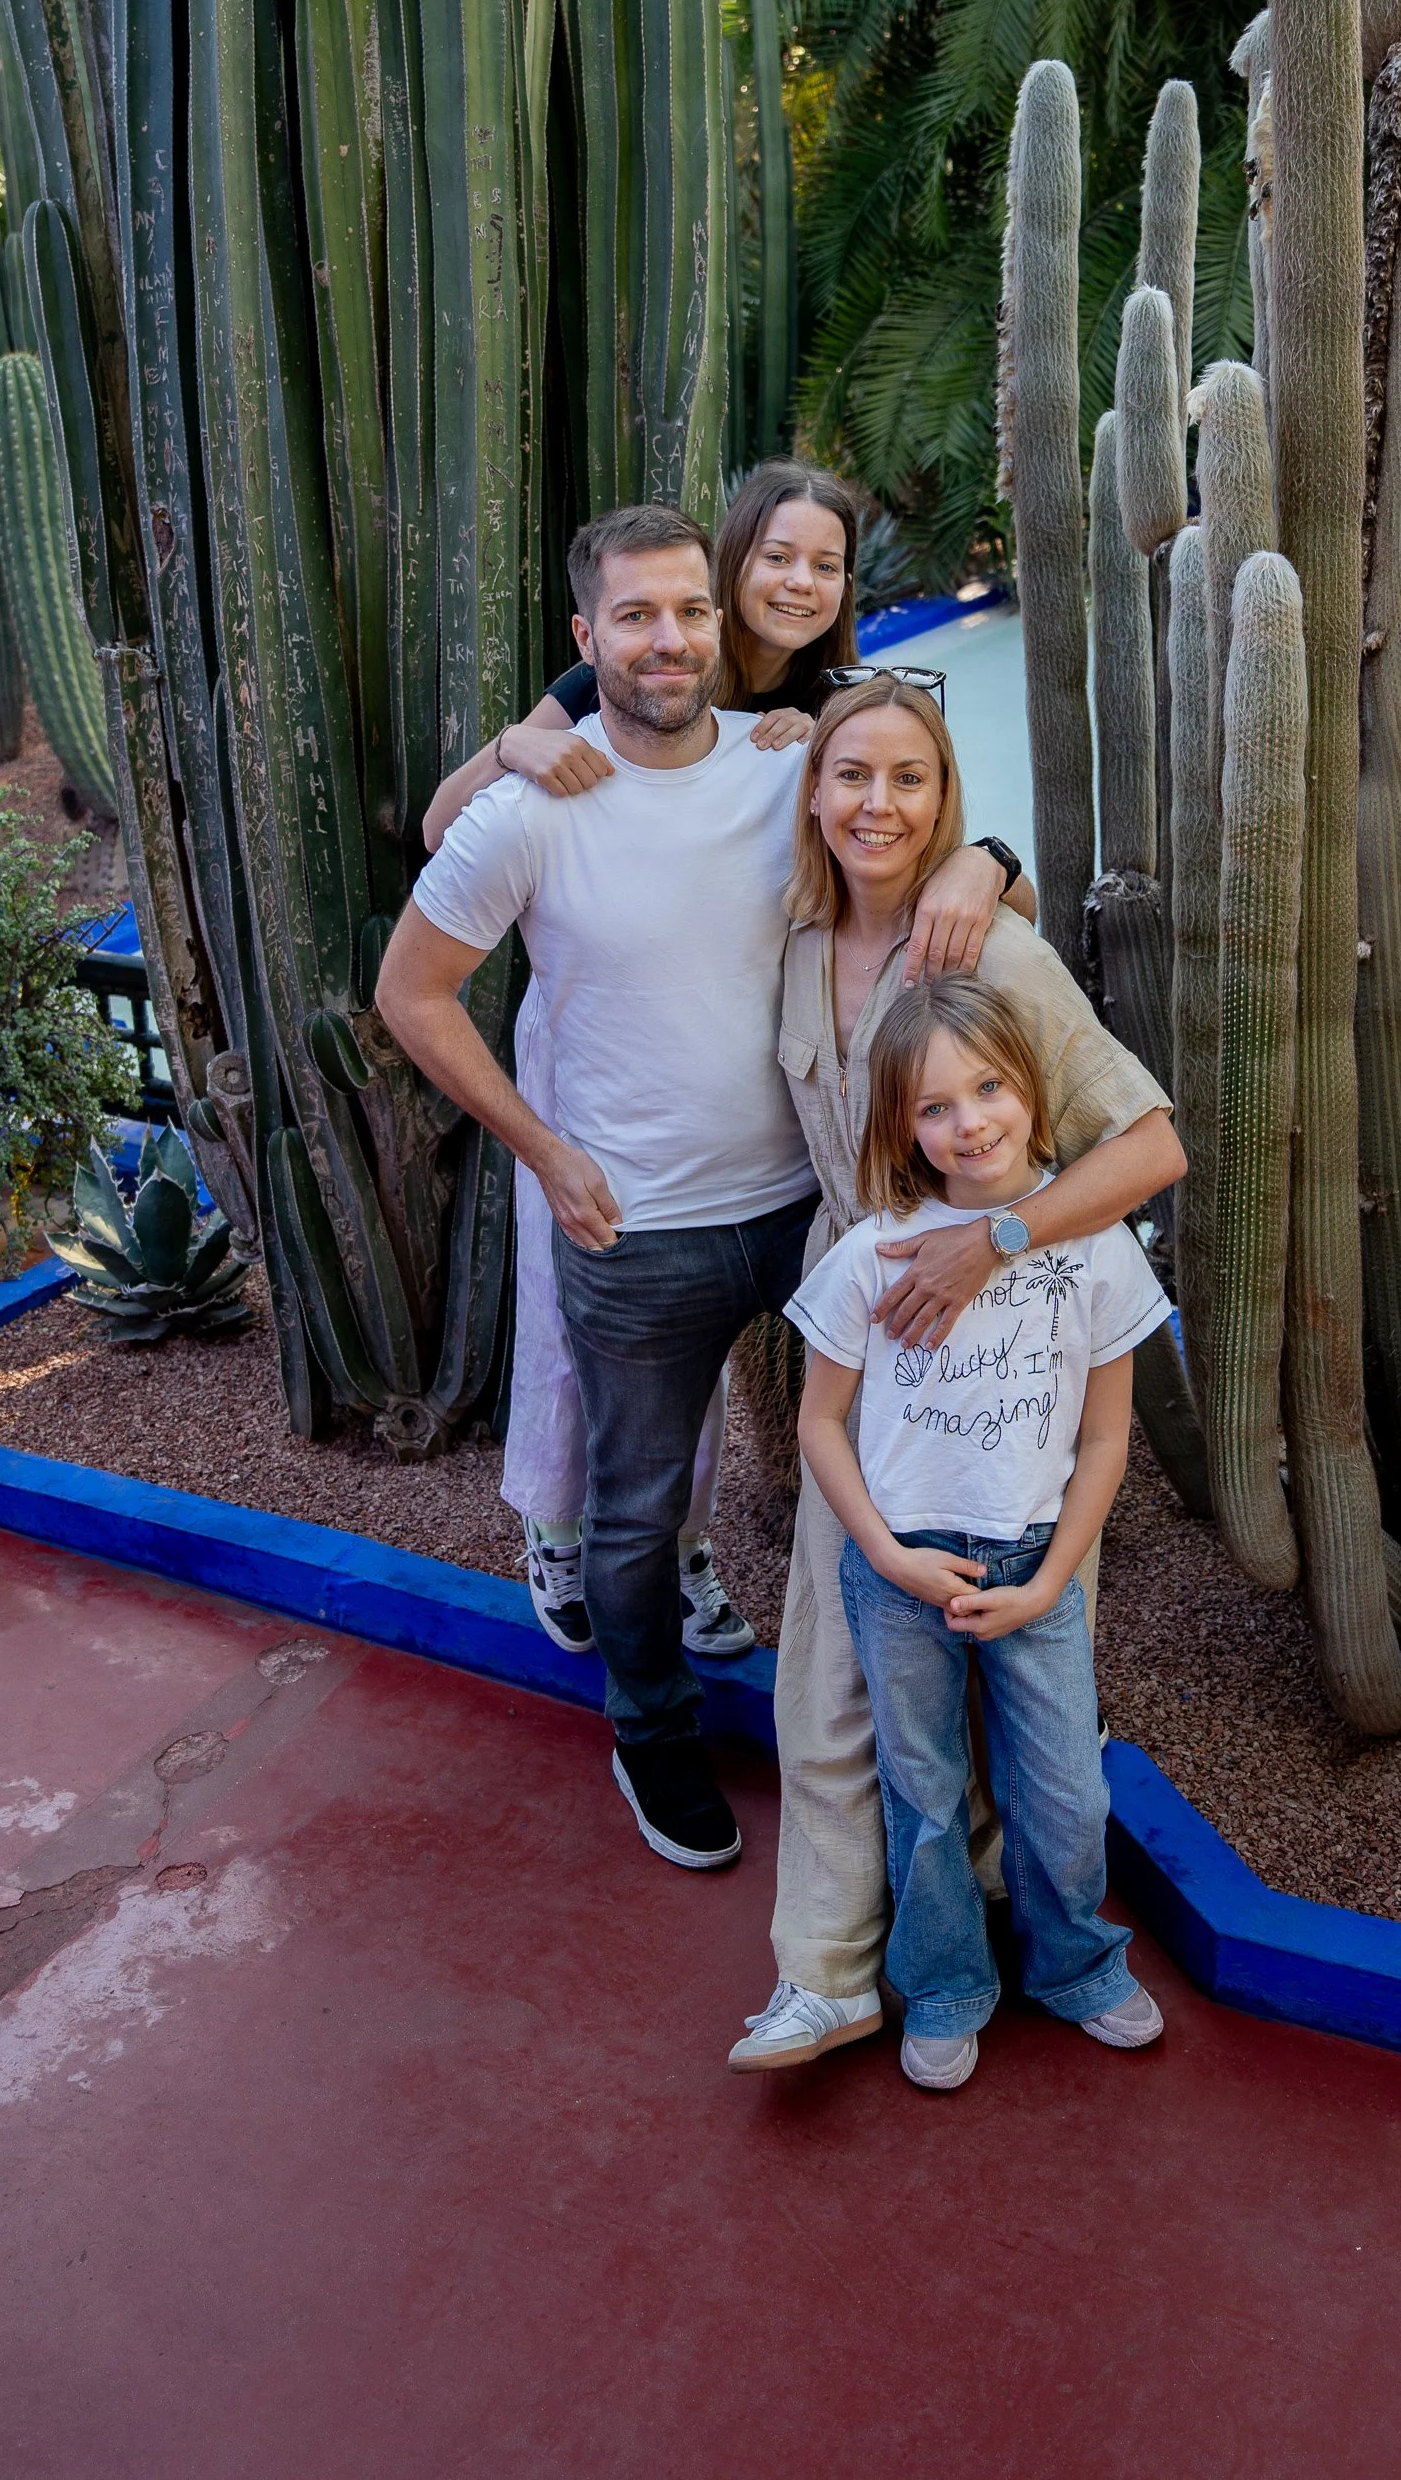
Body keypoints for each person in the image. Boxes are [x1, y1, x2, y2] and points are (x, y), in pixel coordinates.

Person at [374, 505, 1020, 1872]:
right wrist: (542, 1148)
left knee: (900, 1466)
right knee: (637, 1511)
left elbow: (916, 775)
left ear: (720, 625)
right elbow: (409, 993)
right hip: (639, 1232)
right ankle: (653, 1737)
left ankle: (922, 1750)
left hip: (810, 1215)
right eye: (635, 617)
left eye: (689, 612)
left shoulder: (784, 761)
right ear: (585, 640)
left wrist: (985, 857)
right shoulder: (529, 811)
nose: (668, 641)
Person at [728, 678, 1184, 2072]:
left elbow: (1149, 1148)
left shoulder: (993, 955)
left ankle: (1007, 1951)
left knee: (1020, 1694)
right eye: (851, 775)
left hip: (1021, 1362)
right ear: (812, 793)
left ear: (949, 802)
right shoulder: (800, 942)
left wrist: (991, 1243)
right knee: (832, 1676)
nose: (879, 805)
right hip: (871, 1341)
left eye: (912, 781)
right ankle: (829, 1971)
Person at [416, 464, 882, 1663]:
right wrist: (523, 743)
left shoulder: (825, 711)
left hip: (742, 1075)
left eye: (823, 563)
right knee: (579, 1335)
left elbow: (902, 831)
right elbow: (442, 840)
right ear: (733, 568)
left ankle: (677, 1549)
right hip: (601, 1055)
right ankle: (565, 1534)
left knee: (691, 1363)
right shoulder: (608, 679)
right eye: (777, 555)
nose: (798, 580)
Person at [785, 974, 1175, 2090]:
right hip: (900, 1567)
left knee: (1062, 1790)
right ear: (903, 1129)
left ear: (1028, 1087)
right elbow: (821, 1423)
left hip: (1032, 1570)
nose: (971, 1123)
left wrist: (1055, 1581)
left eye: (989, 1087)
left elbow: (1105, 1441)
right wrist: (885, 1553)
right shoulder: (877, 1252)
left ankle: (1075, 1965)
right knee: (922, 1795)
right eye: (935, 1107)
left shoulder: (1093, 1245)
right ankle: (948, 1985)